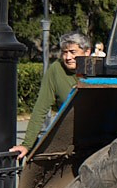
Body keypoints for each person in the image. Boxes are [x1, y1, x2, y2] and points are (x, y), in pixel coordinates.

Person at [12, 31, 90, 159]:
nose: (68, 57)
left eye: (73, 52)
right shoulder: (56, 69)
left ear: (86, 52)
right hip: (70, 136)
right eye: (65, 52)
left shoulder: (99, 68)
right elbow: (41, 108)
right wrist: (27, 144)